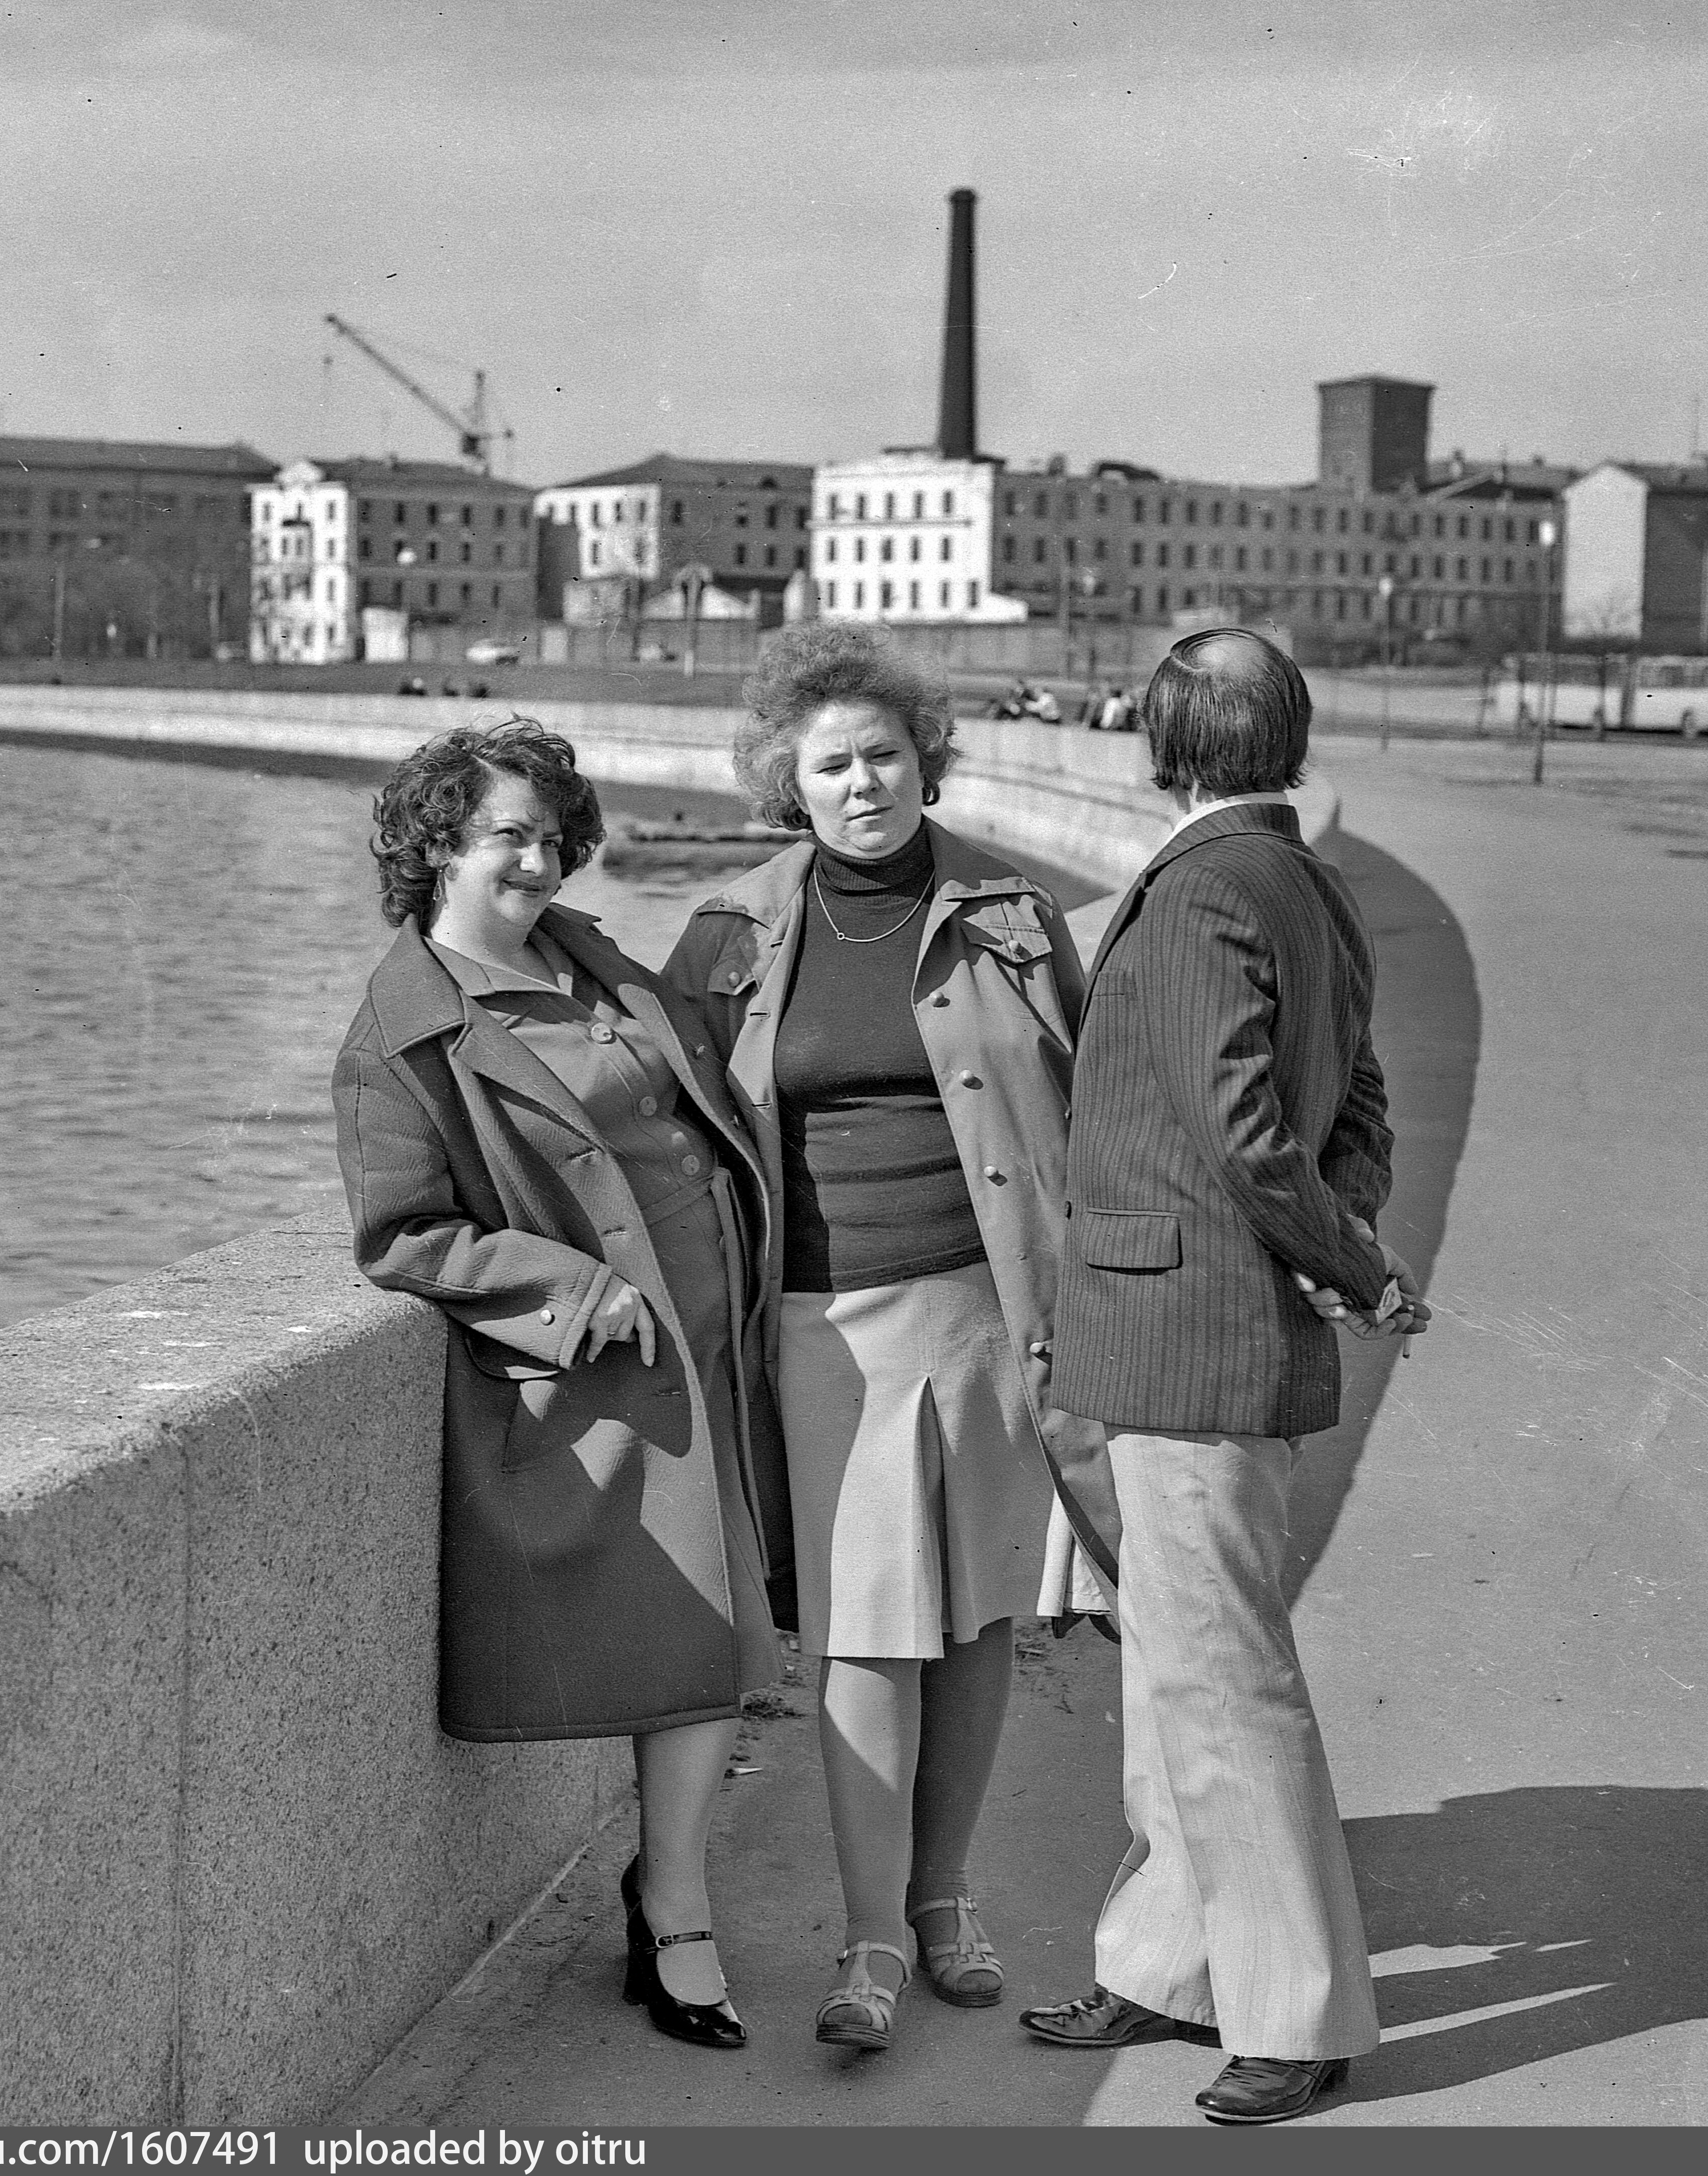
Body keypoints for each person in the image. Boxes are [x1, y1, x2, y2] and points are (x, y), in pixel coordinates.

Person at [665, 622, 1119, 2056]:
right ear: (785, 783)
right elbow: (666, 1127)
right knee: (864, 1632)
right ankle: (868, 1939)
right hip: (823, 1330)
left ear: (928, 759)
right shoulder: (730, 933)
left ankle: (943, 1901)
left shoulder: (1011, 915)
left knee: (977, 1618)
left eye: (884, 755)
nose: (863, 783)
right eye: (832, 765)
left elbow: (1095, 1101)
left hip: (986, 1310)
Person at [332, 719, 790, 2055]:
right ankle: (677, 1915)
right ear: (436, 847)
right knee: (689, 1645)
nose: (538, 861)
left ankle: (669, 1890)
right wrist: (571, 1291)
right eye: (506, 838)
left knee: (719, 1641)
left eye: (552, 835)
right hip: (608, 1373)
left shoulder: (583, 953)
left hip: (715, 1344)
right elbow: (403, 1235)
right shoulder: (401, 1034)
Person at [1022, 628, 1430, 2127]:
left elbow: (1241, 1138)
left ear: (1157, 744)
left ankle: (1295, 2007)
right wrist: (1344, 1240)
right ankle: (1169, 1958)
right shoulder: (1306, 884)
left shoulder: (1199, 890)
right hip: (1206, 1325)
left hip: (1183, 1335)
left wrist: (1353, 1268)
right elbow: (1355, 1109)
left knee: (1221, 1681)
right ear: (1291, 738)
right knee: (1173, 1670)